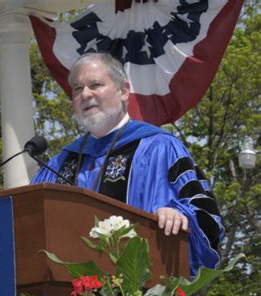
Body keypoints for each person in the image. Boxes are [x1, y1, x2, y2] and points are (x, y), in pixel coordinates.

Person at [31, 52, 224, 275]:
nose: (85, 94)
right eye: (77, 88)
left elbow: (205, 213)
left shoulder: (159, 147)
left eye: (95, 85)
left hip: (141, 290)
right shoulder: (61, 162)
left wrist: (180, 215)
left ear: (123, 91)